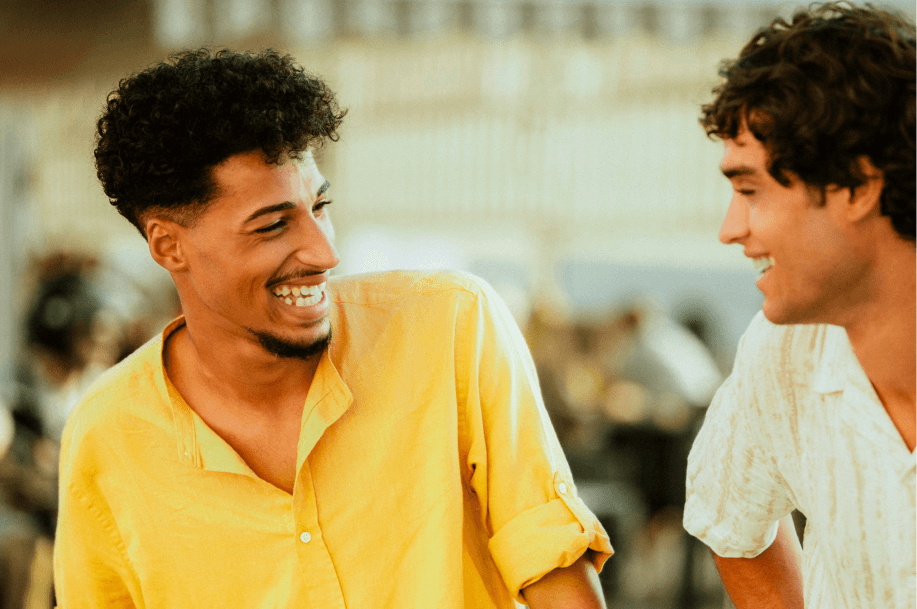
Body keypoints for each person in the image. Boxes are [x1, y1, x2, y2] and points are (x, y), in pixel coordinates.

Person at [52, 49, 612, 608]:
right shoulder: (108, 436)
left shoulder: (451, 328)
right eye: (273, 225)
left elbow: (553, 567)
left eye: (320, 206)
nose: (324, 252)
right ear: (169, 246)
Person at [683, 2, 916, 608]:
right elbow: (730, 522)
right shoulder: (781, 350)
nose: (731, 229)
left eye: (749, 190)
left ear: (858, 186)